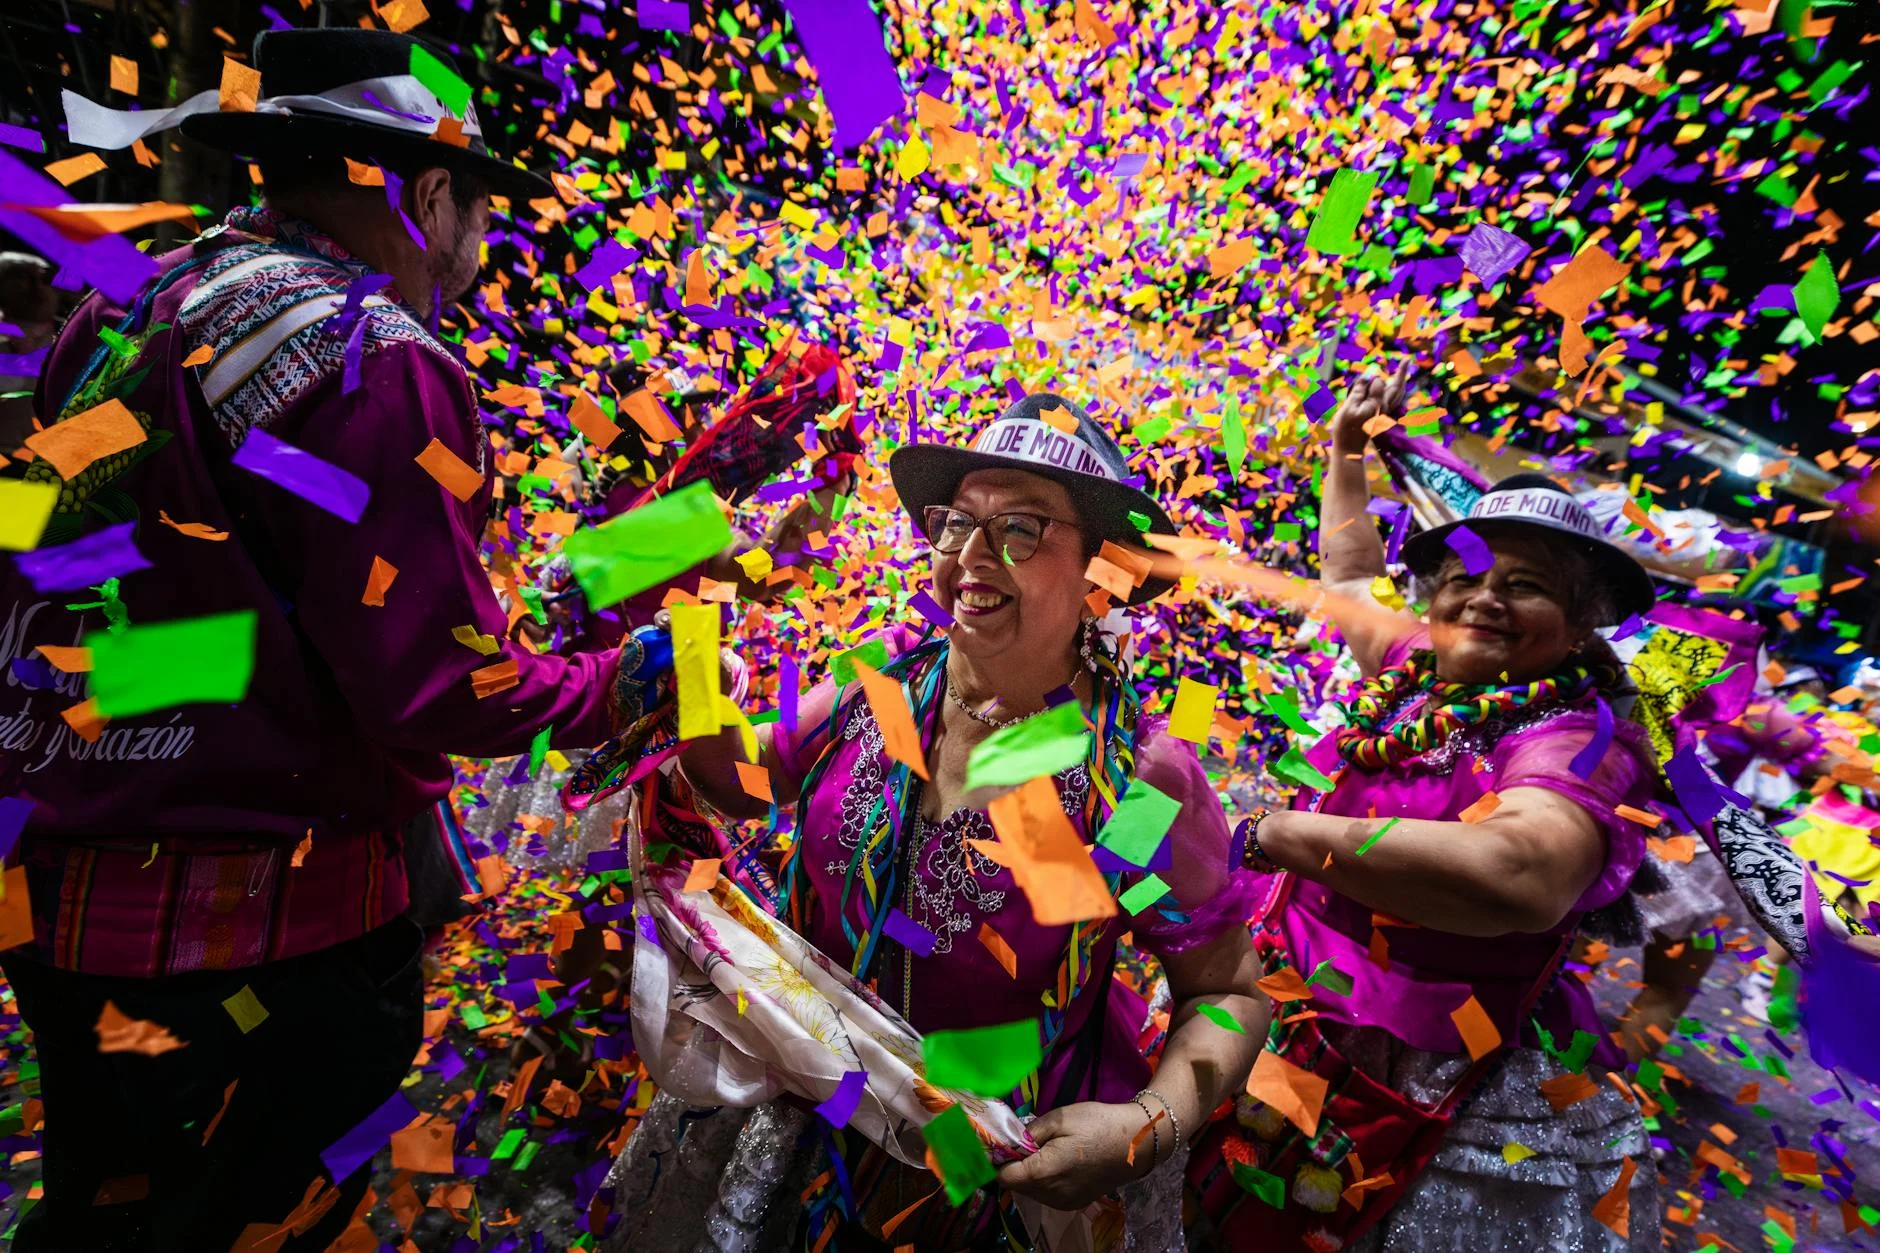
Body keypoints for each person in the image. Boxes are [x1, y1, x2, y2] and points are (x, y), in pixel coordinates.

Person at [0, 29, 623, 1251]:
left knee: (101, 1217)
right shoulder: (370, 352)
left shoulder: (120, 318)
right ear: (426, 192)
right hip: (253, 940)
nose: (476, 257)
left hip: (62, 909)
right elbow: (439, 692)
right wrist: (626, 680)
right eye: (478, 218)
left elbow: (121, 598)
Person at [596, 394, 1269, 1250]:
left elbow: (1224, 989)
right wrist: (694, 661)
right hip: (805, 1127)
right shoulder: (885, 687)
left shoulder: (1136, 781)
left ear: (1104, 572)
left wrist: (1144, 1124)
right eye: (957, 522)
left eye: (1021, 528)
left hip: (982, 1193)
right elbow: (745, 782)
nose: (971, 556)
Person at [1193, 368, 1665, 1251]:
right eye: (1469, 575)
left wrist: (1278, 835)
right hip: (1287, 996)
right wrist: (1344, 455)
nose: (1486, 597)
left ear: (1579, 626)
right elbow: (1351, 571)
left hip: (1415, 1067)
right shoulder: (1422, 668)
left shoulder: (1575, 738)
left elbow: (1517, 873)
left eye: (1527, 586)